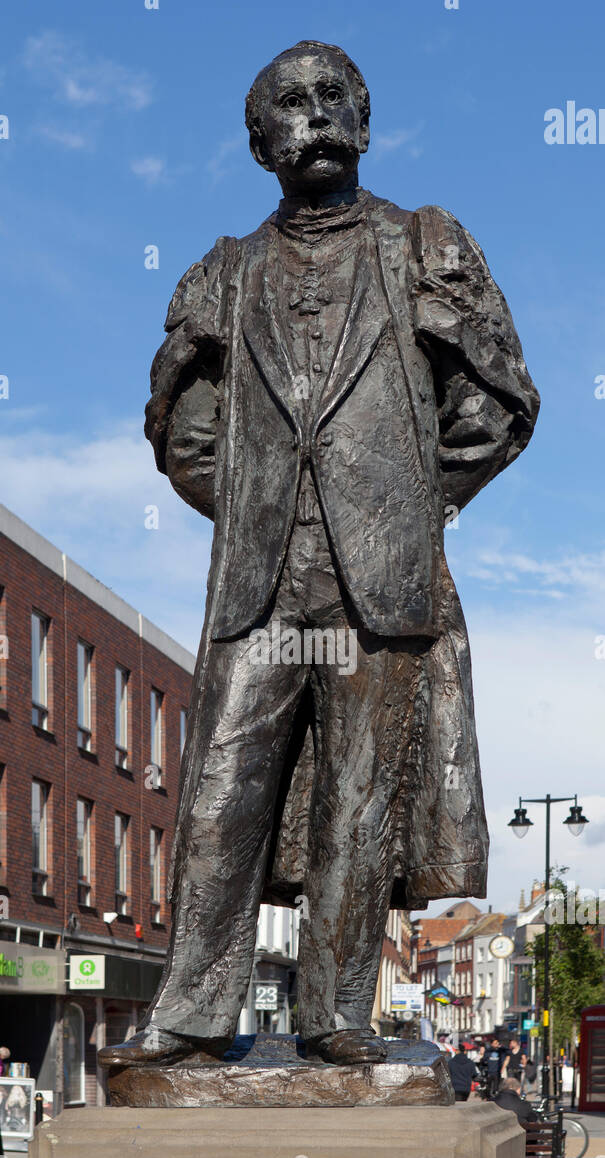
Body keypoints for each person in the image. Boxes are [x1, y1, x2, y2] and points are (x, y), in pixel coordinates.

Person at [99, 39, 538, 1072]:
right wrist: (262, 502)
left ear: (365, 121)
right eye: (291, 105)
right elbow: (184, 432)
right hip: (259, 583)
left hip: (378, 582)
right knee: (218, 791)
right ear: (260, 142)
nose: (316, 115)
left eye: (334, 97)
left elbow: (494, 402)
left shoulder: (421, 245)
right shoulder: (221, 274)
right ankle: (193, 1011)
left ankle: (332, 1013)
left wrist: (402, 502)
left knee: (358, 796)